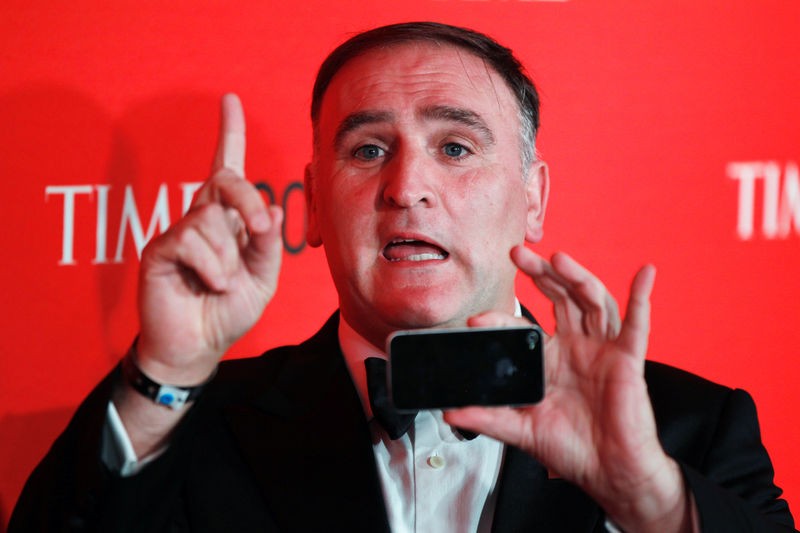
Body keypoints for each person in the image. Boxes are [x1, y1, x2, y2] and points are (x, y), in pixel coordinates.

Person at [9, 22, 796, 533]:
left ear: (533, 199)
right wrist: (165, 376)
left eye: (455, 147)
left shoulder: (691, 428)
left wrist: (651, 499)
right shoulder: (190, 426)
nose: (406, 186)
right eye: (367, 150)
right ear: (312, 207)